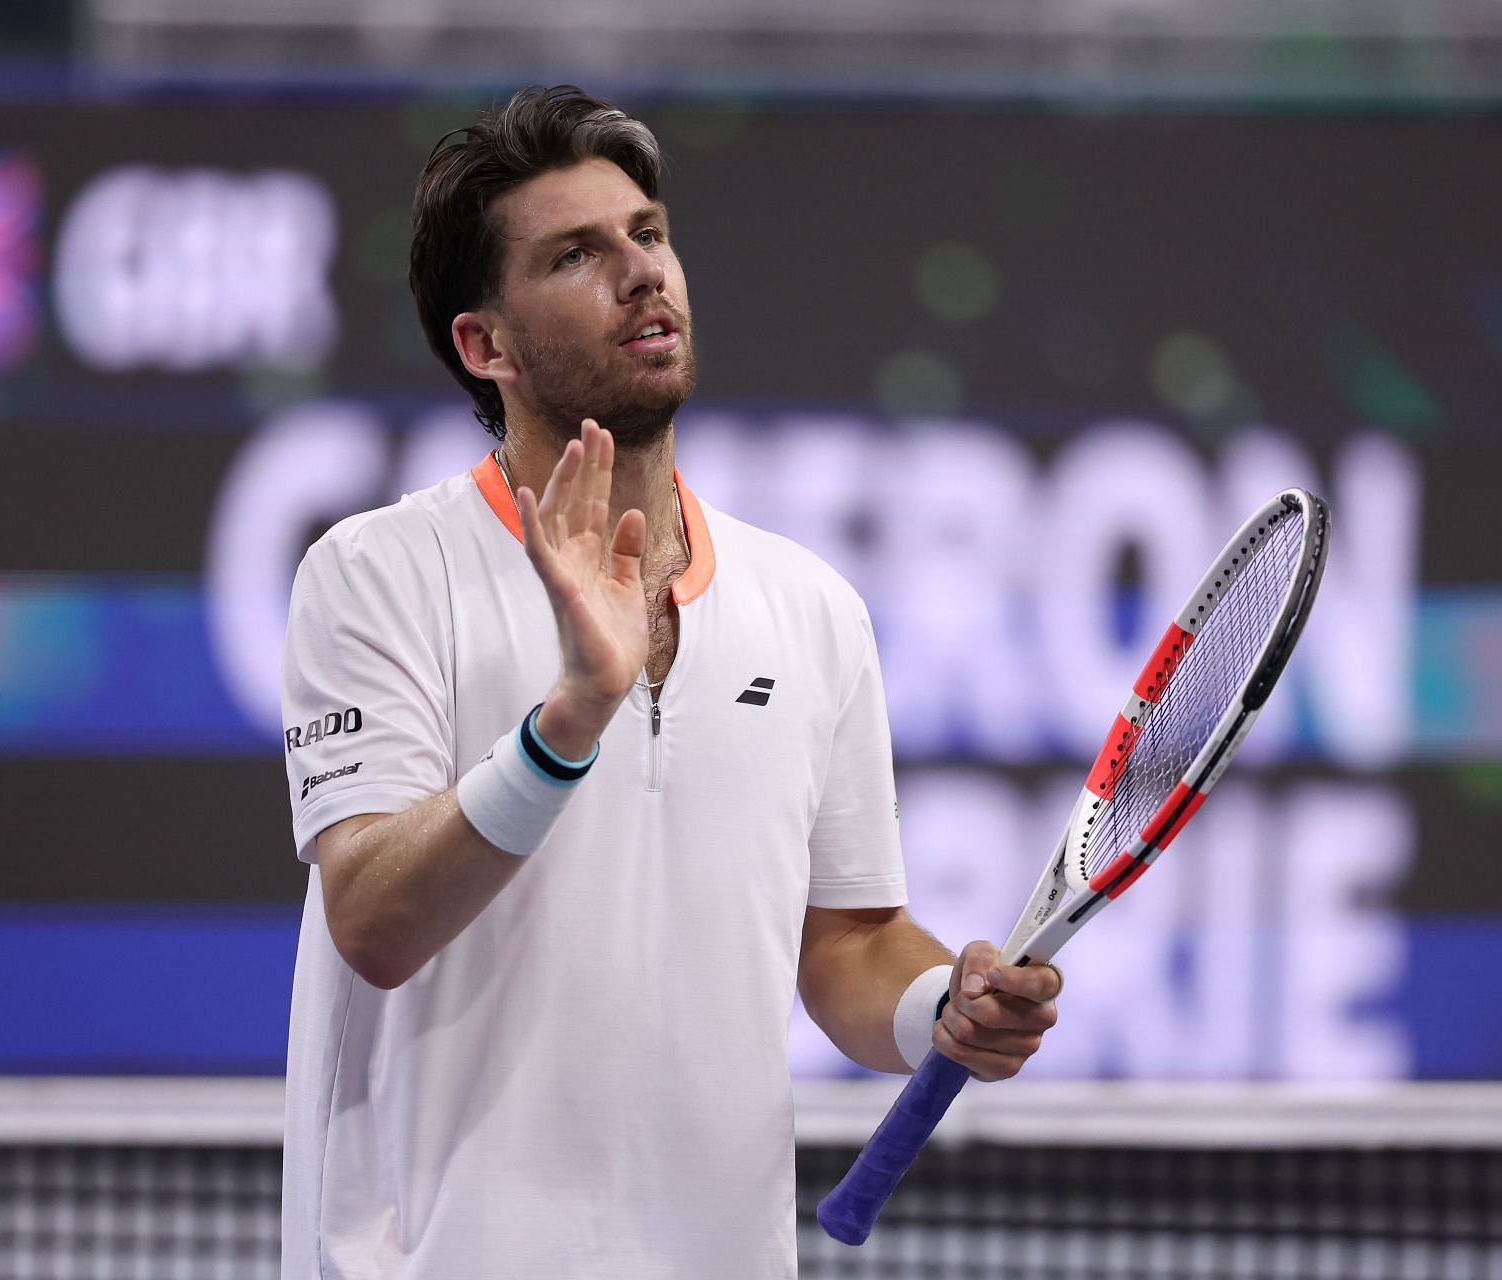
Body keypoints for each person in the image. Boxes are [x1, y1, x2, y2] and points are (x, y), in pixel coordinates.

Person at [278, 85, 1062, 1279]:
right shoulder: (377, 573)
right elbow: (373, 920)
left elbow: (847, 943)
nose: (642, 272)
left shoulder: (810, 608)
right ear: (486, 346)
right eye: (577, 254)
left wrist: (937, 1008)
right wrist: (570, 716)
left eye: (647, 232)